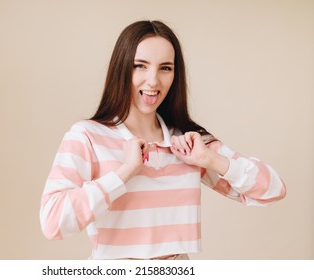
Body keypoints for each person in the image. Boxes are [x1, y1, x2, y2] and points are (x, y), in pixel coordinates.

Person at [39, 20, 286, 260]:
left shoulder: (189, 142)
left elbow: (272, 191)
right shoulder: (87, 136)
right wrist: (124, 172)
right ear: (121, 68)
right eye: (140, 65)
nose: (153, 81)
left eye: (165, 68)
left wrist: (210, 159)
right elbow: (52, 222)